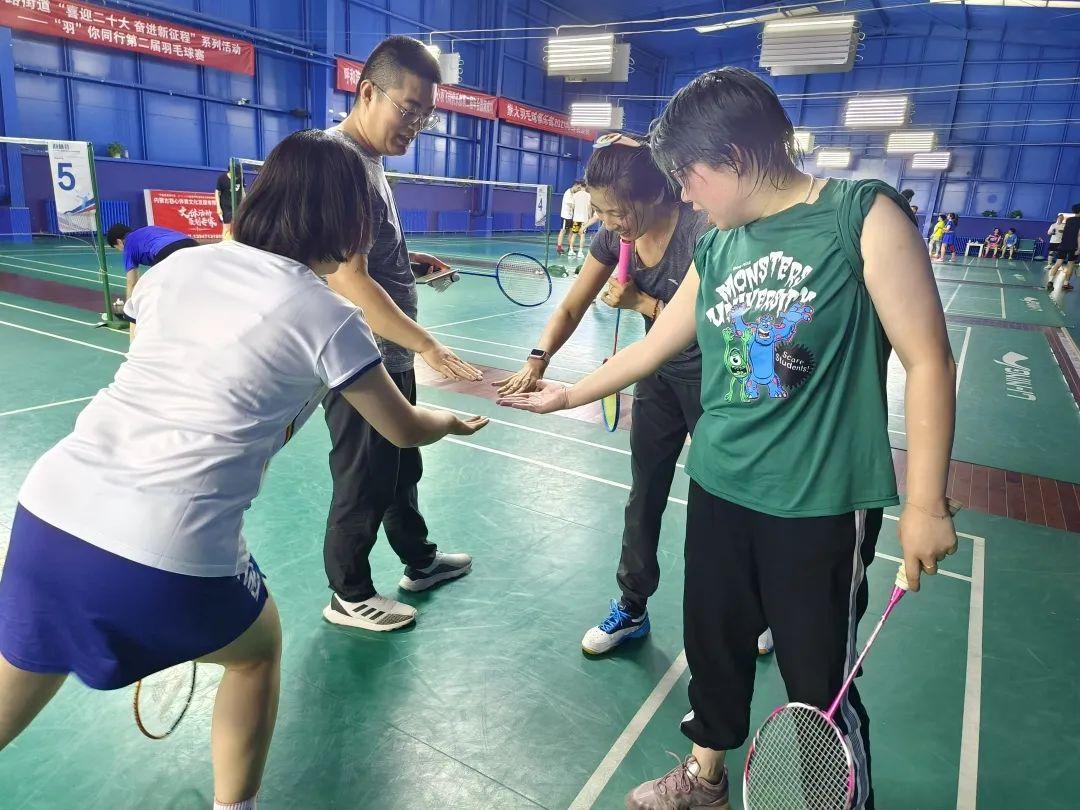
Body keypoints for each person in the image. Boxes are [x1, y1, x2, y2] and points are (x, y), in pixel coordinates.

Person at [499, 67, 958, 810]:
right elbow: (658, 344)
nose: (684, 195)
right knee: (714, 644)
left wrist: (926, 504)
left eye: (690, 175)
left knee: (818, 682)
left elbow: (929, 359)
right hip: (720, 484)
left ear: (736, 158)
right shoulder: (718, 245)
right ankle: (705, 778)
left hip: (819, 503)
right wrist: (569, 392)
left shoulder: (863, 217)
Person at [0, 129, 487, 810]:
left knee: (31, 660)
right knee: (256, 653)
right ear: (350, 220)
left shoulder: (176, 267)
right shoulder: (330, 316)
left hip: (49, 510)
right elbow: (403, 426)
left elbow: (155, 358)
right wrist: (452, 420)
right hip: (170, 540)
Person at [495, 133, 774, 658]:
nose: (608, 223)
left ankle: (756, 607)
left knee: (729, 503)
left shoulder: (700, 232)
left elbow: (713, 324)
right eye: (600, 212)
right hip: (659, 381)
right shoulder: (616, 236)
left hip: (719, 385)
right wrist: (538, 358)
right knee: (644, 493)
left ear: (657, 194)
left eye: (617, 212)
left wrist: (642, 302)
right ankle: (632, 605)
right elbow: (572, 305)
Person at [320, 36, 483, 632]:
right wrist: (427, 343)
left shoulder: (369, 160)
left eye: (426, 115)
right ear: (368, 92)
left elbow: (363, 254)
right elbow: (346, 278)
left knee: (400, 468)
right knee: (363, 478)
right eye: (409, 109)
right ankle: (348, 594)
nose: (416, 125)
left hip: (386, 355)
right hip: (357, 359)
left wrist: (411, 264)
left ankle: (419, 561)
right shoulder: (338, 162)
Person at [106, 223, 200, 300]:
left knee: (160, 289)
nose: (120, 250)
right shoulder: (148, 230)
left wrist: (128, 310)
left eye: (117, 248)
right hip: (192, 244)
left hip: (167, 250)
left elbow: (132, 283)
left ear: (119, 242)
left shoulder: (128, 245)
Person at [1047, 204, 1080, 292]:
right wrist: (1079, 249)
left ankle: (1050, 281)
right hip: (1073, 246)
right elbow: (1079, 235)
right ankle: (1065, 284)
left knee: (1058, 263)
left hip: (1063, 244)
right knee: (1070, 264)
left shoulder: (1068, 220)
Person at [216, 164, 243, 239]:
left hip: (238, 205)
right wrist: (218, 207)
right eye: (236, 175)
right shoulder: (222, 178)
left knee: (238, 227)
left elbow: (243, 191)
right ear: (231, 172)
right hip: (226, 207)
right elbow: (217, 193)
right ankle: (225, 243)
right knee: (226, 228)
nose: (237, 177)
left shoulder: (240, 178)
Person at [556, 180, 582, 255]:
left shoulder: (574, 194)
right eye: (578, 188)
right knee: (563, 231)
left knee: (571, 232)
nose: (579, 189)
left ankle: (570, 248)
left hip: (572, 216)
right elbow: (572, 205)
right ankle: (559, 248)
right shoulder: (568, 193)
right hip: (566, 216)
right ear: (574, 185)